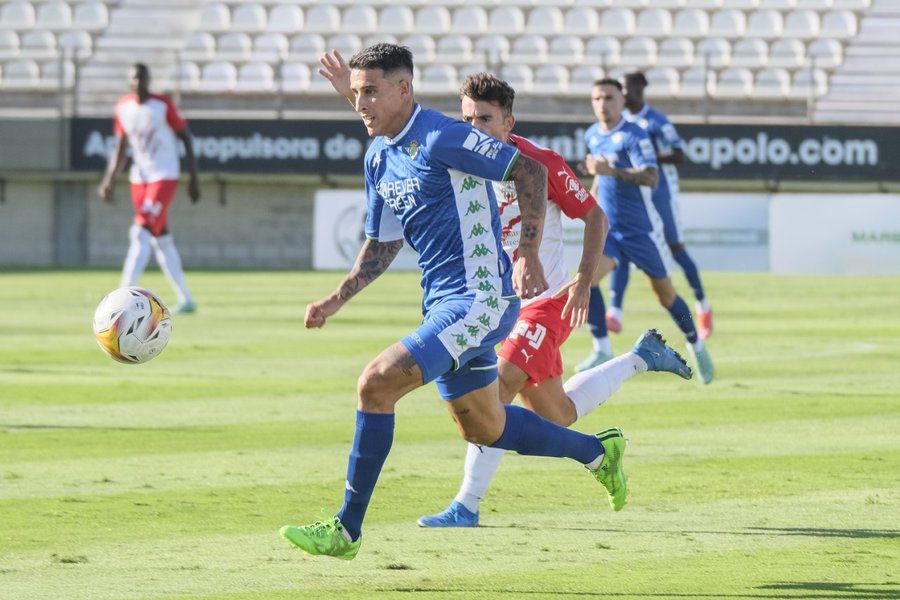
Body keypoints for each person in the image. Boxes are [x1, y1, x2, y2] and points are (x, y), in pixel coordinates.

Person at [280, 44, 628, 561]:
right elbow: (383, 243)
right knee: (486, 426)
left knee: (375, 384)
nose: (359, 103)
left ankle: (346, 529)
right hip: (442, 301)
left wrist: (527, 253)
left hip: (482, 298)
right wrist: (337, 298)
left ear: (404, 89)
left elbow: (529, 174)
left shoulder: (445, 135)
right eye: (355, 93)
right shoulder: (380, 155)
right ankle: (597, 451)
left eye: (370, 91)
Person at [316, 58, 692, 527]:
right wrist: (353, 97)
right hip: (491, 291)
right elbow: (402, 130)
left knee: (498, 387)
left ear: (508, 122)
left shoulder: (539, 164)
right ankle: (631, 378)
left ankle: (465, 505)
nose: (474, 126)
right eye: (468, 118)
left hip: (540, 298)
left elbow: (595, 216)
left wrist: (581, 282)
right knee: (551, 414)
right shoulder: (462, 157)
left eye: (485, 119)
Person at [575, 79, 714, 384]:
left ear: (621, 102)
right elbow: (600, 180)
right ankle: (601, 348)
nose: (602, 104)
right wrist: (591, 208)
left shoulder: (634, 135)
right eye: (596, 98)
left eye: (609, 97)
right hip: (610, 230)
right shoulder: (593, 135)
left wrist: (611, 171)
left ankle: (696, 343)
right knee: (586, 280)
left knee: (666, 296)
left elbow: (651, 177)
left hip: (642, 232)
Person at [601, 72, 712, 339]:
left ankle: (702, 305)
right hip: (632, 197)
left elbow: (680, 153)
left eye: (625, 89)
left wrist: (649, 155)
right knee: (621, 247)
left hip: (660, 192)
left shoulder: (656, 121)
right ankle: (614, 312)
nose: (622, 95)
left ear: (638, 90)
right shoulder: (620, 123)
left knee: (675, 248)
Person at [98, 63, 200, 314]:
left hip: (164, 175)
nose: (139, 82)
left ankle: (121, 298)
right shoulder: (123, 107)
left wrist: (194, 177)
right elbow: (121, 146)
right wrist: (109, 179)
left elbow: (185, 136)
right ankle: (186, 299)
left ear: (148, 80)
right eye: (135, 78)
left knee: (140, 231)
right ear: (129, 81)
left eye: (143, 78)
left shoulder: (162, 105)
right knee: (161, 239)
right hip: (139, 179)